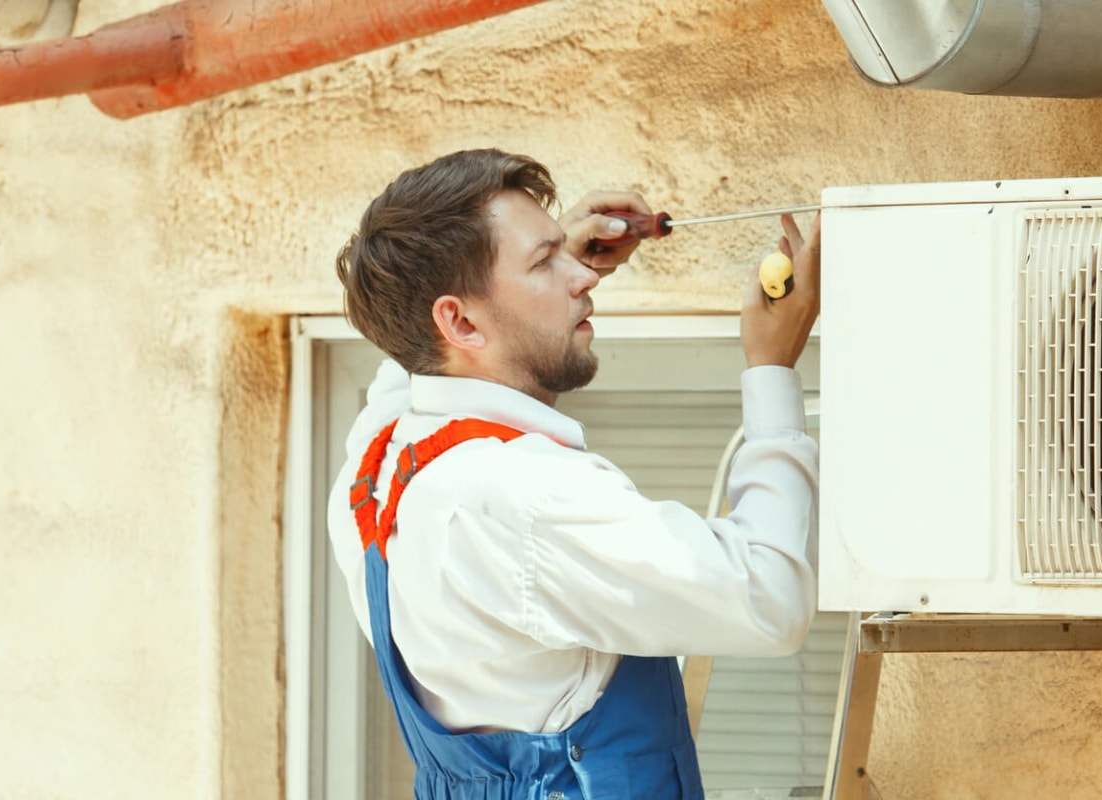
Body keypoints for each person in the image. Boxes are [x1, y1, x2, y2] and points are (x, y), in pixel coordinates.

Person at [325, 147, 821, 800]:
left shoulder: (377, 457)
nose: (581, 278)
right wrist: (772, 368)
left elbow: (416, 360)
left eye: (565, 253)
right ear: (461, 320)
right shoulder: (527, 496)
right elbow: (767, 599)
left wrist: (550, 275)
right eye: (542, 262)